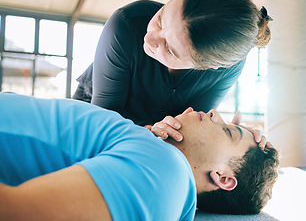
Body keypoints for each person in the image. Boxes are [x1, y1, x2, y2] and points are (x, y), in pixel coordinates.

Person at [0, 93, 279, 220]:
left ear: (223, 178)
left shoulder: (163, 175)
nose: (215, 113)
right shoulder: (156, 157)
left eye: (229, 131)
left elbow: (15, 211)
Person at [72, 0, 272, 142]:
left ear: (210, 66)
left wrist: (233, 141)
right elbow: (103, 119)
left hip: (159, 134)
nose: (149, 38)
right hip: (94, 116)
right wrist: (149, 132)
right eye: (160, 19)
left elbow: (188, 128)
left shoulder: (228, 68)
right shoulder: (127, 23)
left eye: (169, 47)